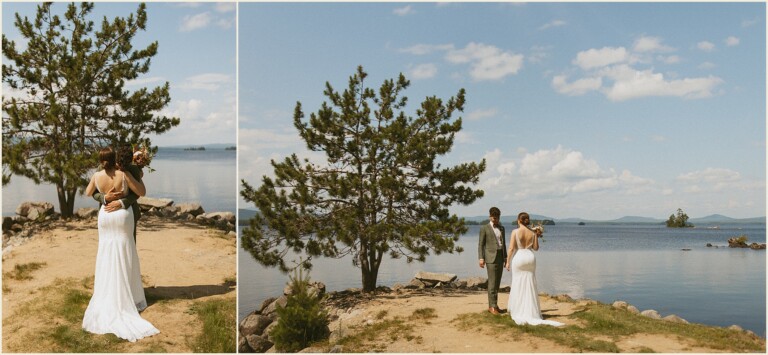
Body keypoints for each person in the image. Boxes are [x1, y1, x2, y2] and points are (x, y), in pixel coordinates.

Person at [82, 147, 159, 342]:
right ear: (115, 159)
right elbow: (140, 192)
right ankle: (129, 296)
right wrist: (110, 196)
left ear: (101, 160)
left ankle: (108, 293)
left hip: (105, 217)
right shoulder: (124, 173)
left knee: (106, 253)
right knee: (126, 253)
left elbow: (87, 192)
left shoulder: (97, 175)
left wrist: (104, 197)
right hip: (122, 218)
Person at [504, 212, 563, 326]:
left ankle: (518, 309)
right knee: (530, 283)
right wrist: (536, 235)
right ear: (527, 221)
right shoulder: (533, 233)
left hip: (519, 257)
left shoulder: (515, 232)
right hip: (530, 258)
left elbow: (511, 248)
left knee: (518, 282)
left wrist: (507, 262)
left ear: (518, 220)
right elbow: (536, 248)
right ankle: (531, 311)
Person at [92, 146, 143, 242]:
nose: (121, 167)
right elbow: (94, 192)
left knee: (128, 245)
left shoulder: (133, 169)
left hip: (128, 212)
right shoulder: (101, 168)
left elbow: (138, 193)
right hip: (107, 213)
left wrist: (122, 202)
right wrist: (104, 197)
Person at [478, 207, 507, 315]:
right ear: (490, 216)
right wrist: (481, 258)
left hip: (500, 256)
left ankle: (495, 305)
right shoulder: (484, 228)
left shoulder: (502, 228)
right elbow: (481, 244)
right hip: (490, 258)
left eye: (497, 218)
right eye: (494, 218)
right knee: (492, 282)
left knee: (497, 283)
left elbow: (503, 244)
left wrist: (505, 258)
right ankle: (492, 307)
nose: (496, 220)